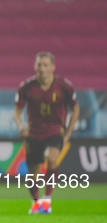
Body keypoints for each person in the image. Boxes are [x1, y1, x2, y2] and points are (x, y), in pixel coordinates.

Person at [13, 52, 79, 214]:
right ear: (35, 67)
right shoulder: (27, 87)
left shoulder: (64, 87)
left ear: (52, 67)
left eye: (45, 65)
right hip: (33, 134)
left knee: (51, 158)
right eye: (39, 65)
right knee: (33, 172)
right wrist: (21, 125)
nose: (42, 68)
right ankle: (37, 203)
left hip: (55, 131)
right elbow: (17, 111)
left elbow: (75, 109)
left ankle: (47, 199)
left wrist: (68, 134)